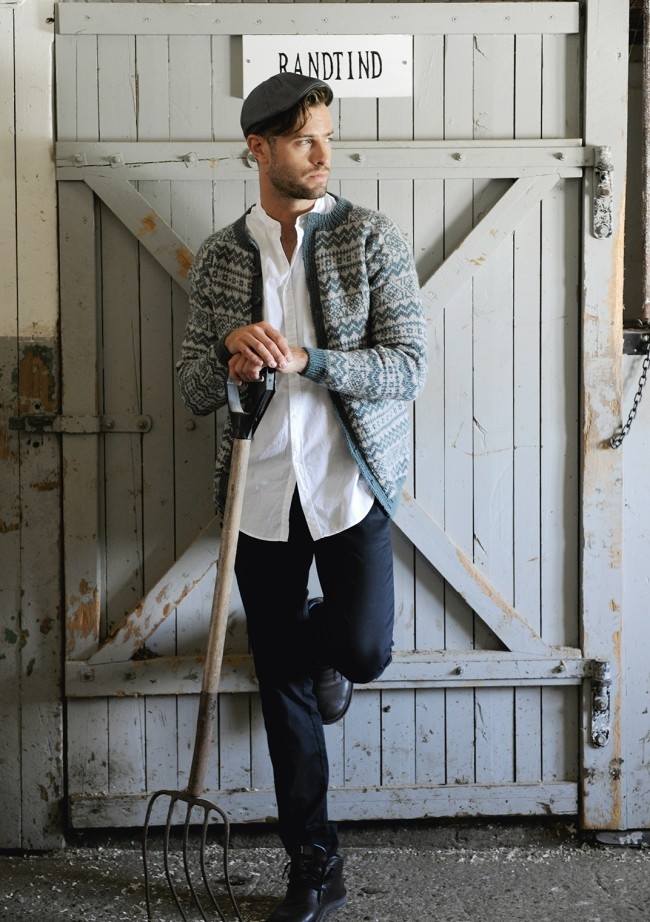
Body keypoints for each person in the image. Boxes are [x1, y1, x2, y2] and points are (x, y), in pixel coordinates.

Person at [176, 72, 428, 922]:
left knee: (362, 649)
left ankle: (315, 645)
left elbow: (408, 367)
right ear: (259, 149)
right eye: (302, 140)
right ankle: (314, 861)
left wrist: (308, 360)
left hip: (349, 487)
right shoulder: (221, 256)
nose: (323, 154)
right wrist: (229, 356)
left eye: (327, 136)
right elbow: (191, 385)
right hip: (258, 496)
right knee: (283, 686)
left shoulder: (370, 238)